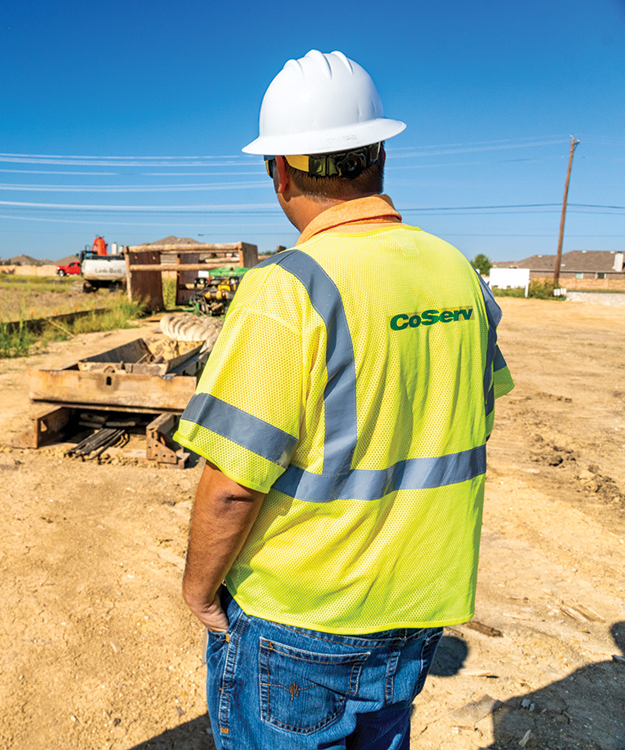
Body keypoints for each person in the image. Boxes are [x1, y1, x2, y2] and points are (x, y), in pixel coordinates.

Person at [174, 51, 514, 750]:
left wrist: (199, 590)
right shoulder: (463, 277)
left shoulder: (287, 288)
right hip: (417, 610)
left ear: (281, 172)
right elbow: (457, 417)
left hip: (300, 624)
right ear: (380, 155)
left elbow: (233, 485)